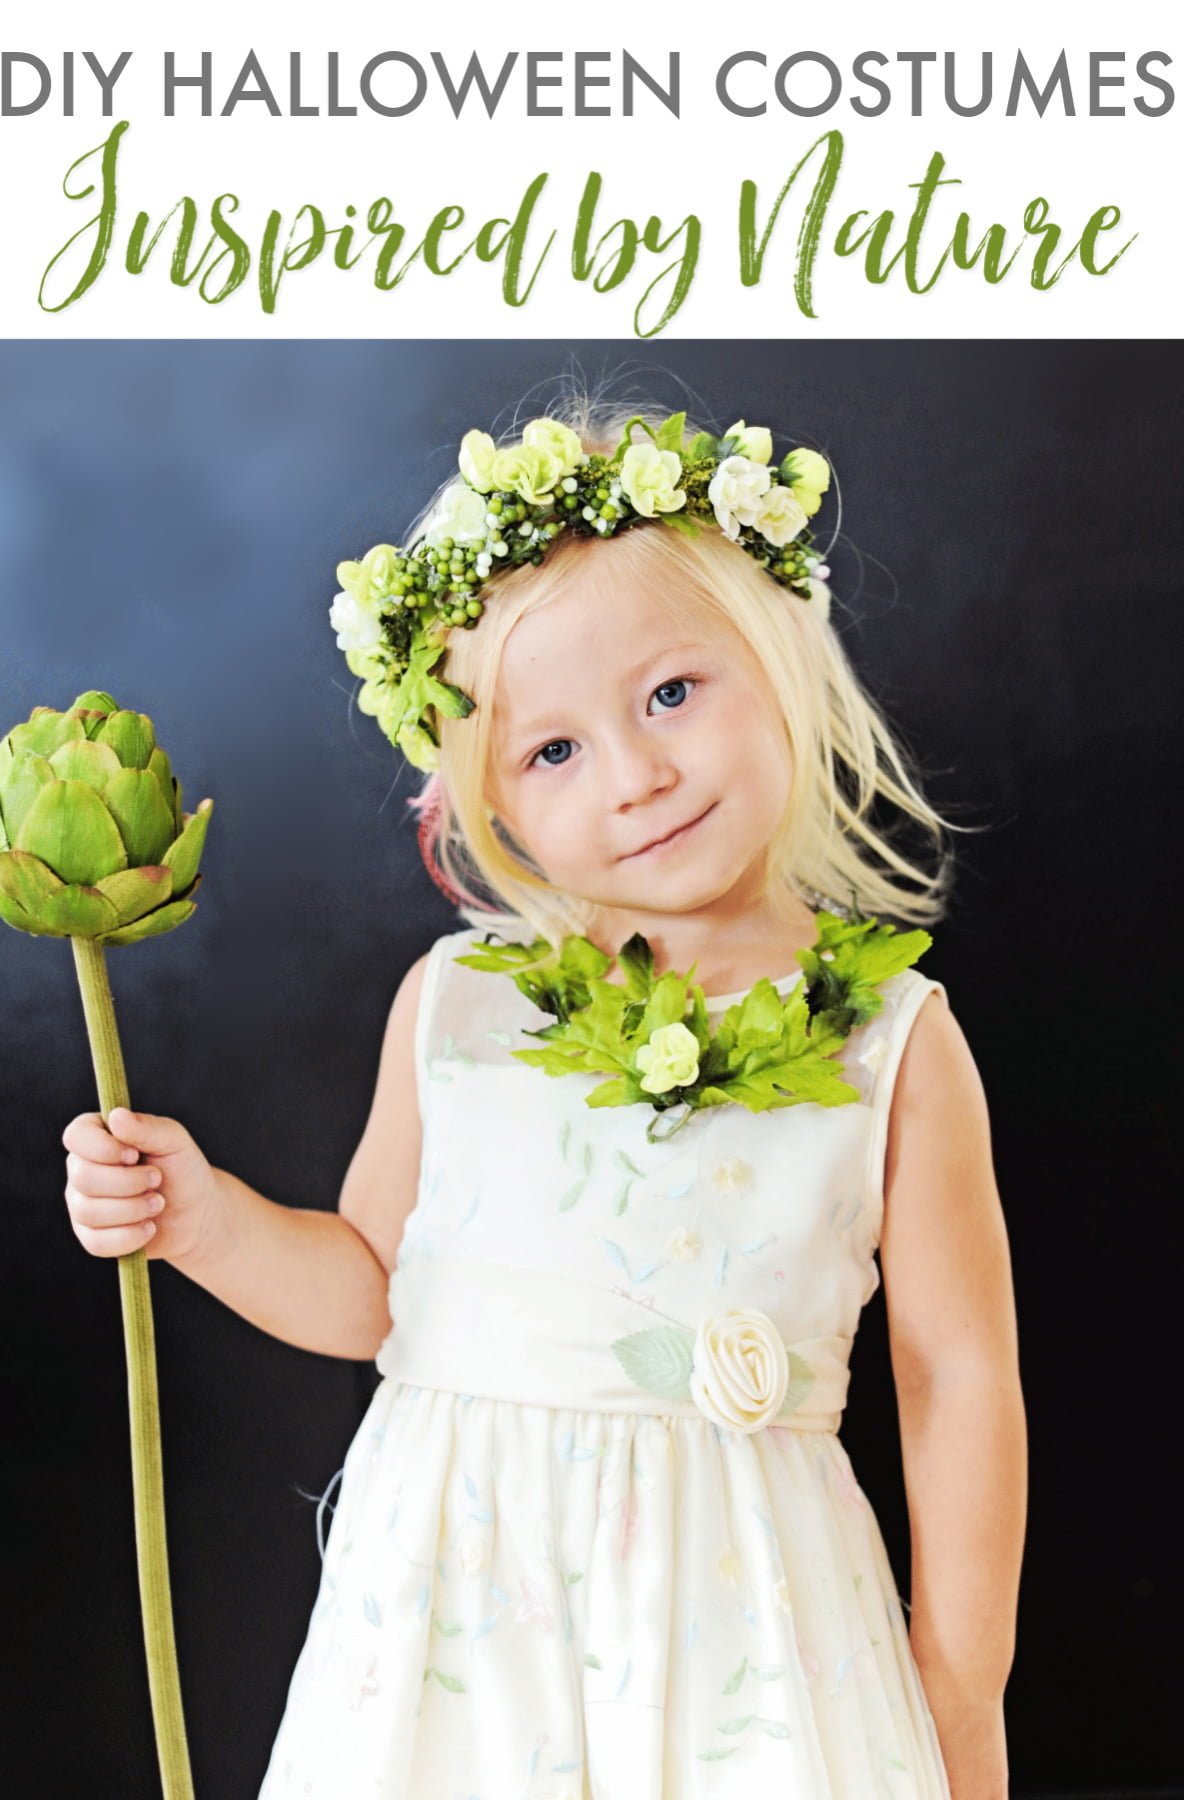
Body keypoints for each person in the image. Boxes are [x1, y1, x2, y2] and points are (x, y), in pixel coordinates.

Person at [61, 390, 1026, 1798]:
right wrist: (198, 1221)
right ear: (491, 807)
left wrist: (962, 1683)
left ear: (782, 658)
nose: (635, 777)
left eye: (673, 693)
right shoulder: (461, 1006)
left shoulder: (893, 1040)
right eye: (554, 750)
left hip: (741, 1627)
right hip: (464, 1619)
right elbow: (371, 1292)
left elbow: (958, 1376)